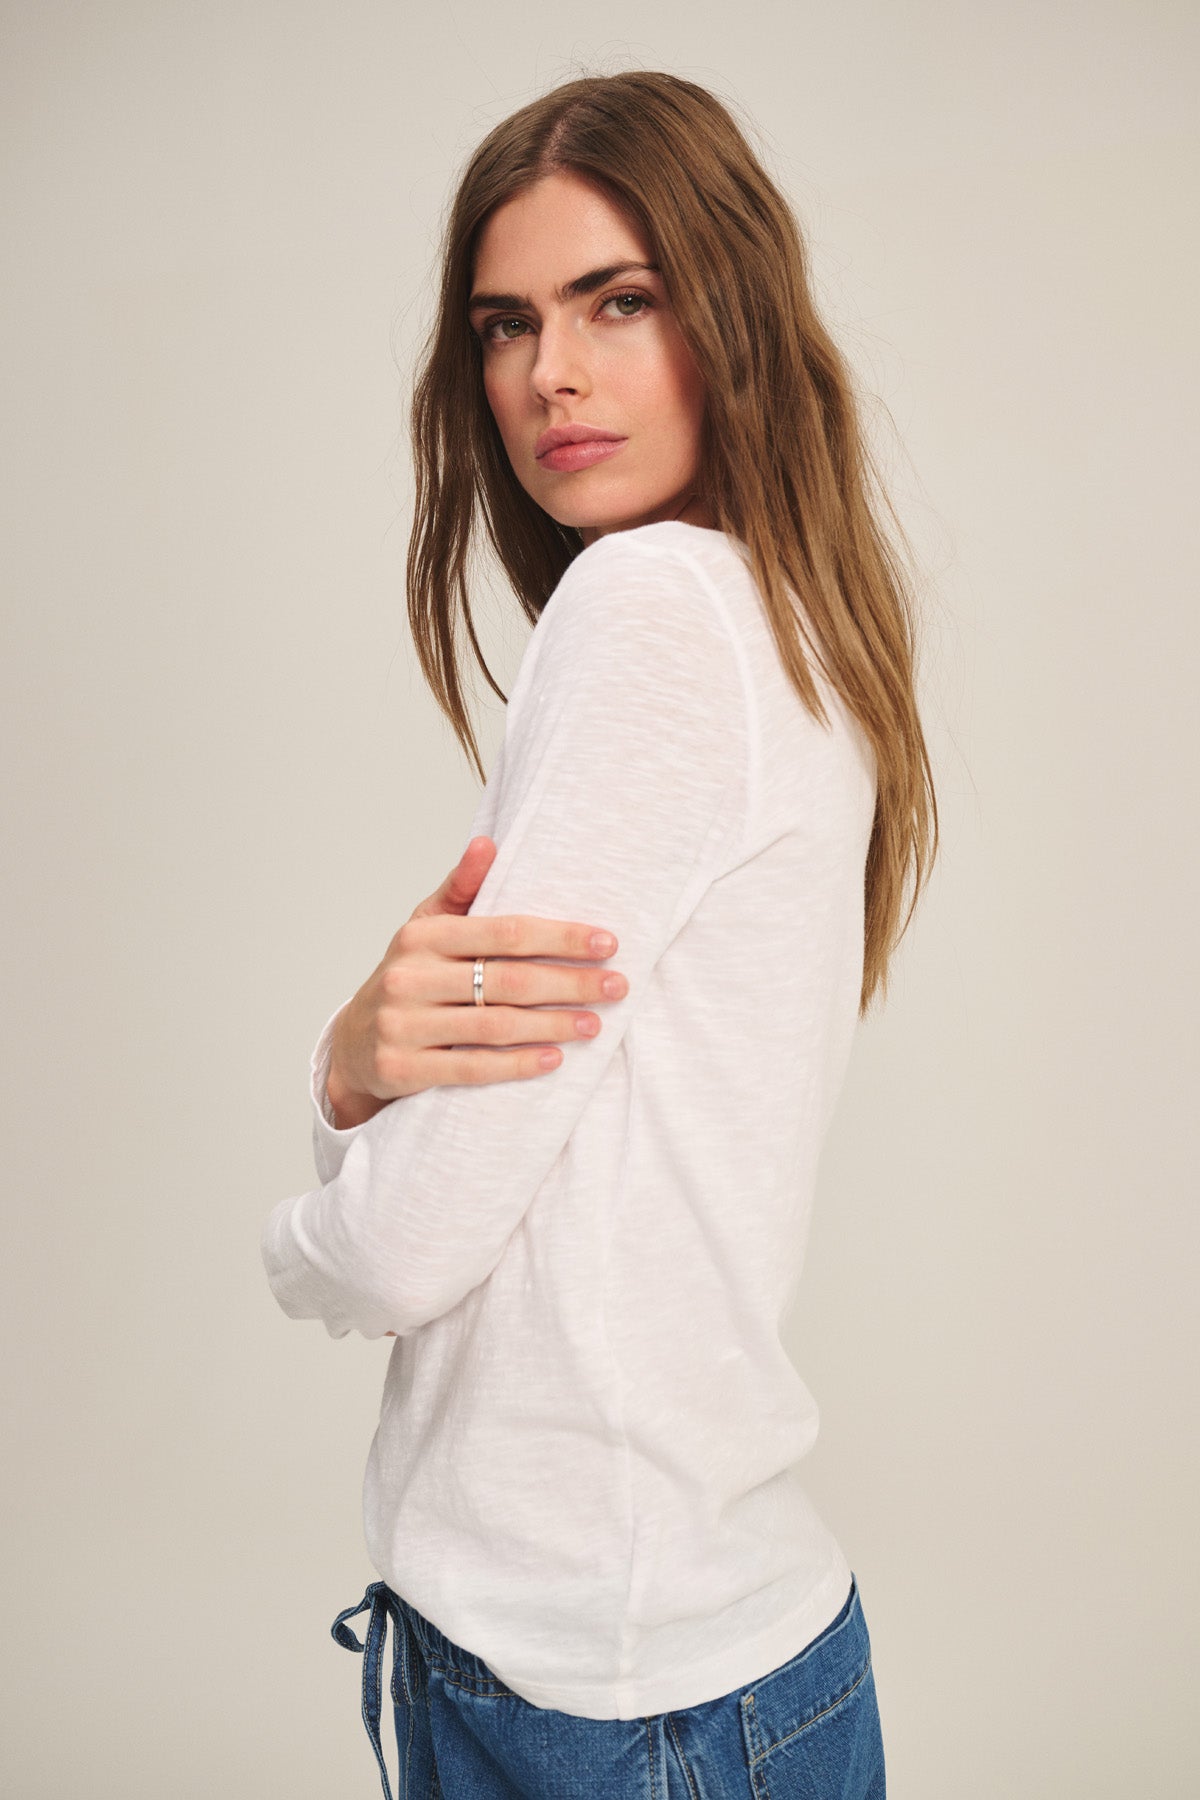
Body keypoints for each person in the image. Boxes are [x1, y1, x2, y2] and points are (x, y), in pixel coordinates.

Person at [261, 68, 938, 1800]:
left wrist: (307, 1197)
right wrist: (360, 1073)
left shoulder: (652, 614)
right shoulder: (787, 621)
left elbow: (411, 1243)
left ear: (730, 314)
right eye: (506, 324)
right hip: (689, 1657)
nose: (548, 373)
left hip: (604, 1688)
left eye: (616, 302)